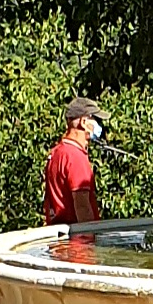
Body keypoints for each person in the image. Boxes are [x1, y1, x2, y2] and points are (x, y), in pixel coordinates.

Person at [42, 96, 105, 226]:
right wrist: (90, 235)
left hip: (59, 234)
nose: (99, 125)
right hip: (78, 236)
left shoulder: (56, 153)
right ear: (83, 122)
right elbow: (82, 207)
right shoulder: (76, 157)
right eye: (95, 119)